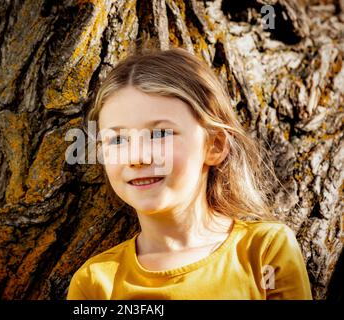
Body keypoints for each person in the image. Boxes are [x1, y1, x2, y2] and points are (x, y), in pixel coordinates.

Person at [66, 47, 312, 300]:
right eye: (117, 140)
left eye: (160, 134)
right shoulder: (95, 283)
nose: (137, 157)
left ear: (214, 145)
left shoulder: (264, 251)